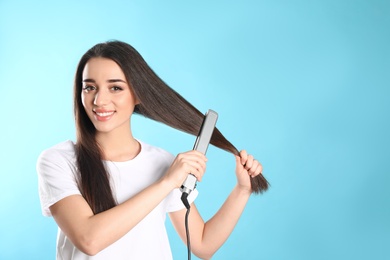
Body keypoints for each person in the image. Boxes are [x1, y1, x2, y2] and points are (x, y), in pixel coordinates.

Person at [37, 40, 265, 260]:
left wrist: (242, 190)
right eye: (89, 87)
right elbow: (89, 239)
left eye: (115, 87)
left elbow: (203, 245)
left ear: (137, 94)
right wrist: (166, 183)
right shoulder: (58, 160)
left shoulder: (161, 163)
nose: (99, 99)